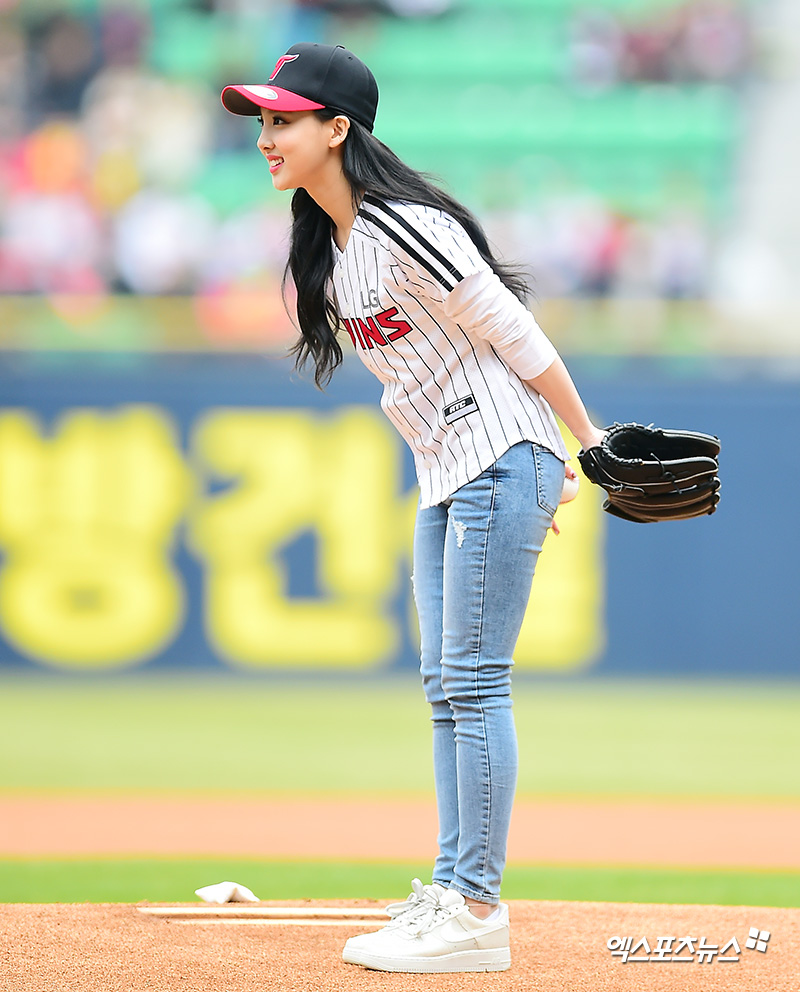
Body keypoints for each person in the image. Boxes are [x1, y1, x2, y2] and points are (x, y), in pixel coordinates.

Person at [221, 43, 607, 974]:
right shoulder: (332, 247)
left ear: (337, 129)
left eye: (283, 120)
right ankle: (451, 890)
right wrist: (532, 467)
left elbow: (508, 326)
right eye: (263, 120)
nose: (266, 137)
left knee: (473, 681)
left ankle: (474, 909)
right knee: (447, 686)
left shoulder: (403, 224)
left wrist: (577, 442)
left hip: (496, 456)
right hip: (456, 470)